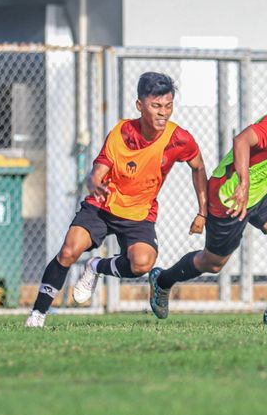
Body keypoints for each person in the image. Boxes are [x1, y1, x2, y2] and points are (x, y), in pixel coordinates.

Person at [25, 72, 207, 327]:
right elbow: (96, 173)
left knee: (142, 264)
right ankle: (37, 315)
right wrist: (93, 183)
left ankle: (96, 266)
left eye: (168, 106)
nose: (163, 113)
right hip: (103, 205)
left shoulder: (179, 139)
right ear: (140, 105)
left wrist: (202, 212)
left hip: (139, 213)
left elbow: (198, 167)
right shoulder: (122, 133)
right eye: (156, 106)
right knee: (68, 251)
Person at [149, 65, 267, 325]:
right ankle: (163, 280)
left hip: (261, 192)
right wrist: (242, 184)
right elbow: (241, 140)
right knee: (212, 263)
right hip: (229, 196)